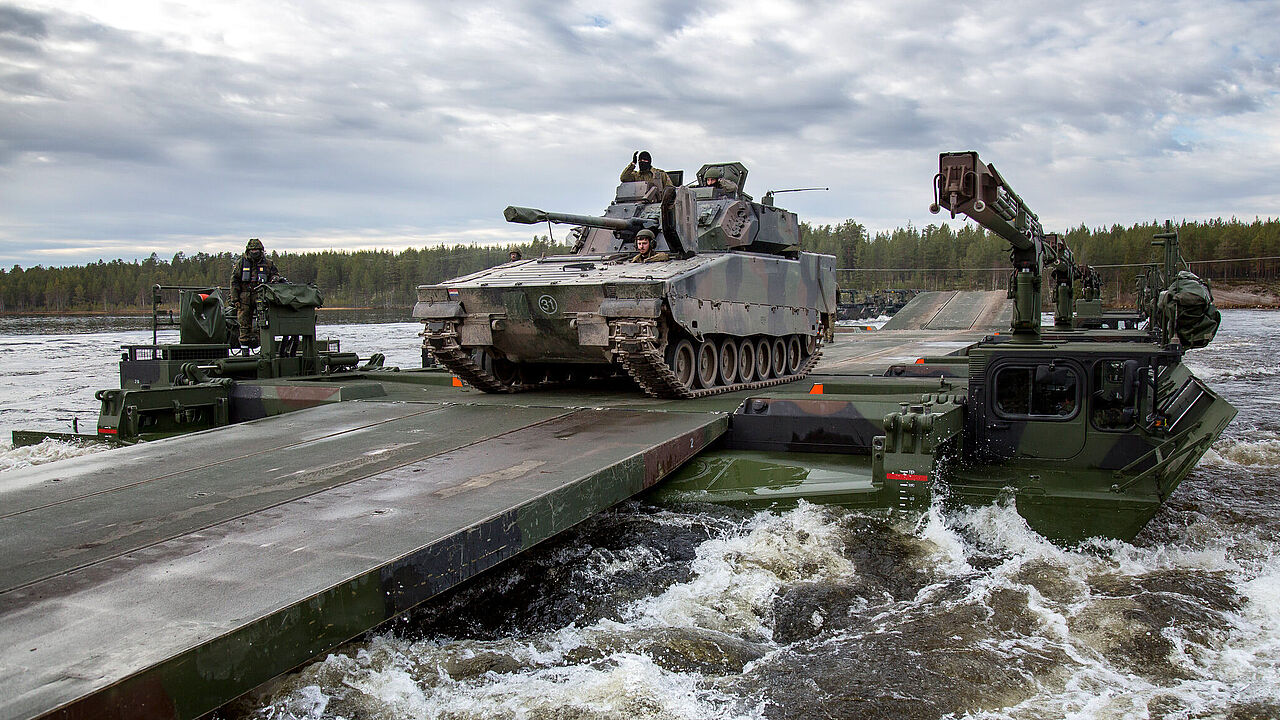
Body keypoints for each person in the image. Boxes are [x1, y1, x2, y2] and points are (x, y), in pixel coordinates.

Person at [230, 238, 282, 353]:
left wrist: (275, 279)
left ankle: (263, 349)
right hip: (244, 298)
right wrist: (235, 299)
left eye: (257, 250)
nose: (255, 252)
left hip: (261, 297)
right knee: (244, 324)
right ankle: (244, 351)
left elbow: (275, 275)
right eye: (252, 250)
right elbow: (234, 281)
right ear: (248, 251)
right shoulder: (241, 263)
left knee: (263, 323)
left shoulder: (268, 263)